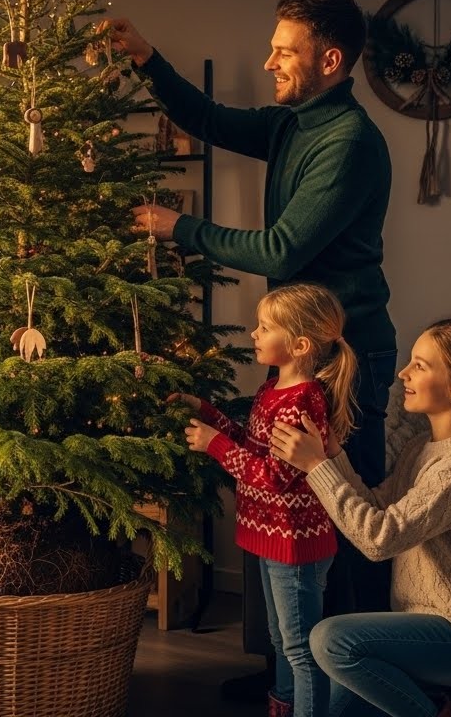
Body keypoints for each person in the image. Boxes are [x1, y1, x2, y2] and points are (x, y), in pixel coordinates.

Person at [100, 0, 399, 700]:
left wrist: (179, 229)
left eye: (283, 50)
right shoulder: (297, 122)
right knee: (289, 516)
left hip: (341, 357)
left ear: (328, 61)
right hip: (303, 350)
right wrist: (146, 58)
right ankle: (288, 685)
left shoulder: (347, 142)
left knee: (338, 527)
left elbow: (282, 246)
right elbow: (207, 119)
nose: (268, 61)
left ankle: (344, 693)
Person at [270, 318, 451, 717]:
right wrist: (333, 456)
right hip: (421, 627)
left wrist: (316, 467)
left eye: (420, 365)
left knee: (331, 640)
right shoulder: (424, 447)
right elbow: (377, 506)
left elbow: (379, 540)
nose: (403, 373)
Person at [175, 283, 357, 717]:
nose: (253, 334)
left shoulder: (302, 400)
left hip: (294, 545)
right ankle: (284, 706)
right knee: (281, 640)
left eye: (264, 327)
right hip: (268, 537)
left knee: (299, 647)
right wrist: (207, 412)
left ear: (298, 344)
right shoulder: (272, 388)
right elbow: (254, 448)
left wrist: (215, 445)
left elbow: (275, 477)